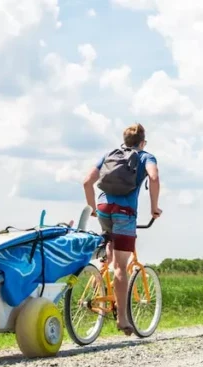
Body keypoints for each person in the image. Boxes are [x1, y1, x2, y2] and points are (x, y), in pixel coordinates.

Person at [83, 123, 162, 336]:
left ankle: (99, 279)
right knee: (121, 266)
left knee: (111, 250)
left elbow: (87, 182)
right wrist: (154, 208)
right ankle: (122, 319)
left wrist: (92, 208)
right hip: (125, 212)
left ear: (124, 141)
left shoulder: (109, 154)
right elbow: (153, 178)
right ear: (142, 142)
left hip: (102, 207)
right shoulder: (146, 157)